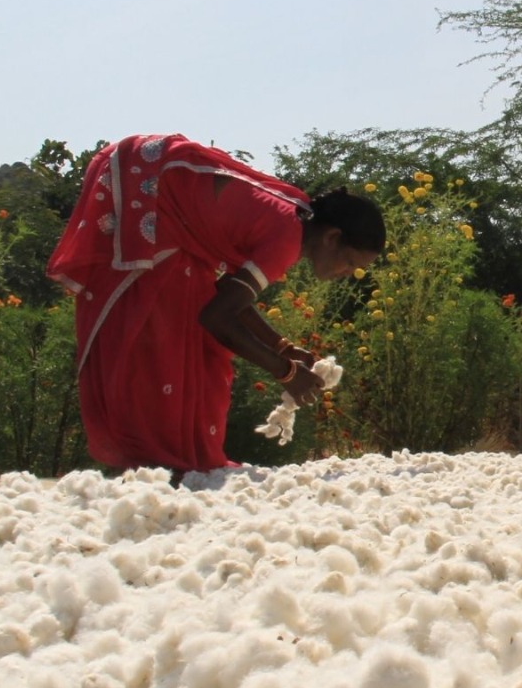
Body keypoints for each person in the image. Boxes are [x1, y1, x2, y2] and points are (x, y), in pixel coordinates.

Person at [47, 133, 385, 475]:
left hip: (159, 194)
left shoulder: (294, 221)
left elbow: (225, 295)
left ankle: (171, 465)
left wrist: (283, 348)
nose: (347, 273)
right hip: (147, 196)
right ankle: (155, 466)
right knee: (159, 344)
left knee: (194, 346)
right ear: (332, 238)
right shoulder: (285, 239)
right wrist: (285, 371)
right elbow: (217, 317)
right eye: (350, 263)